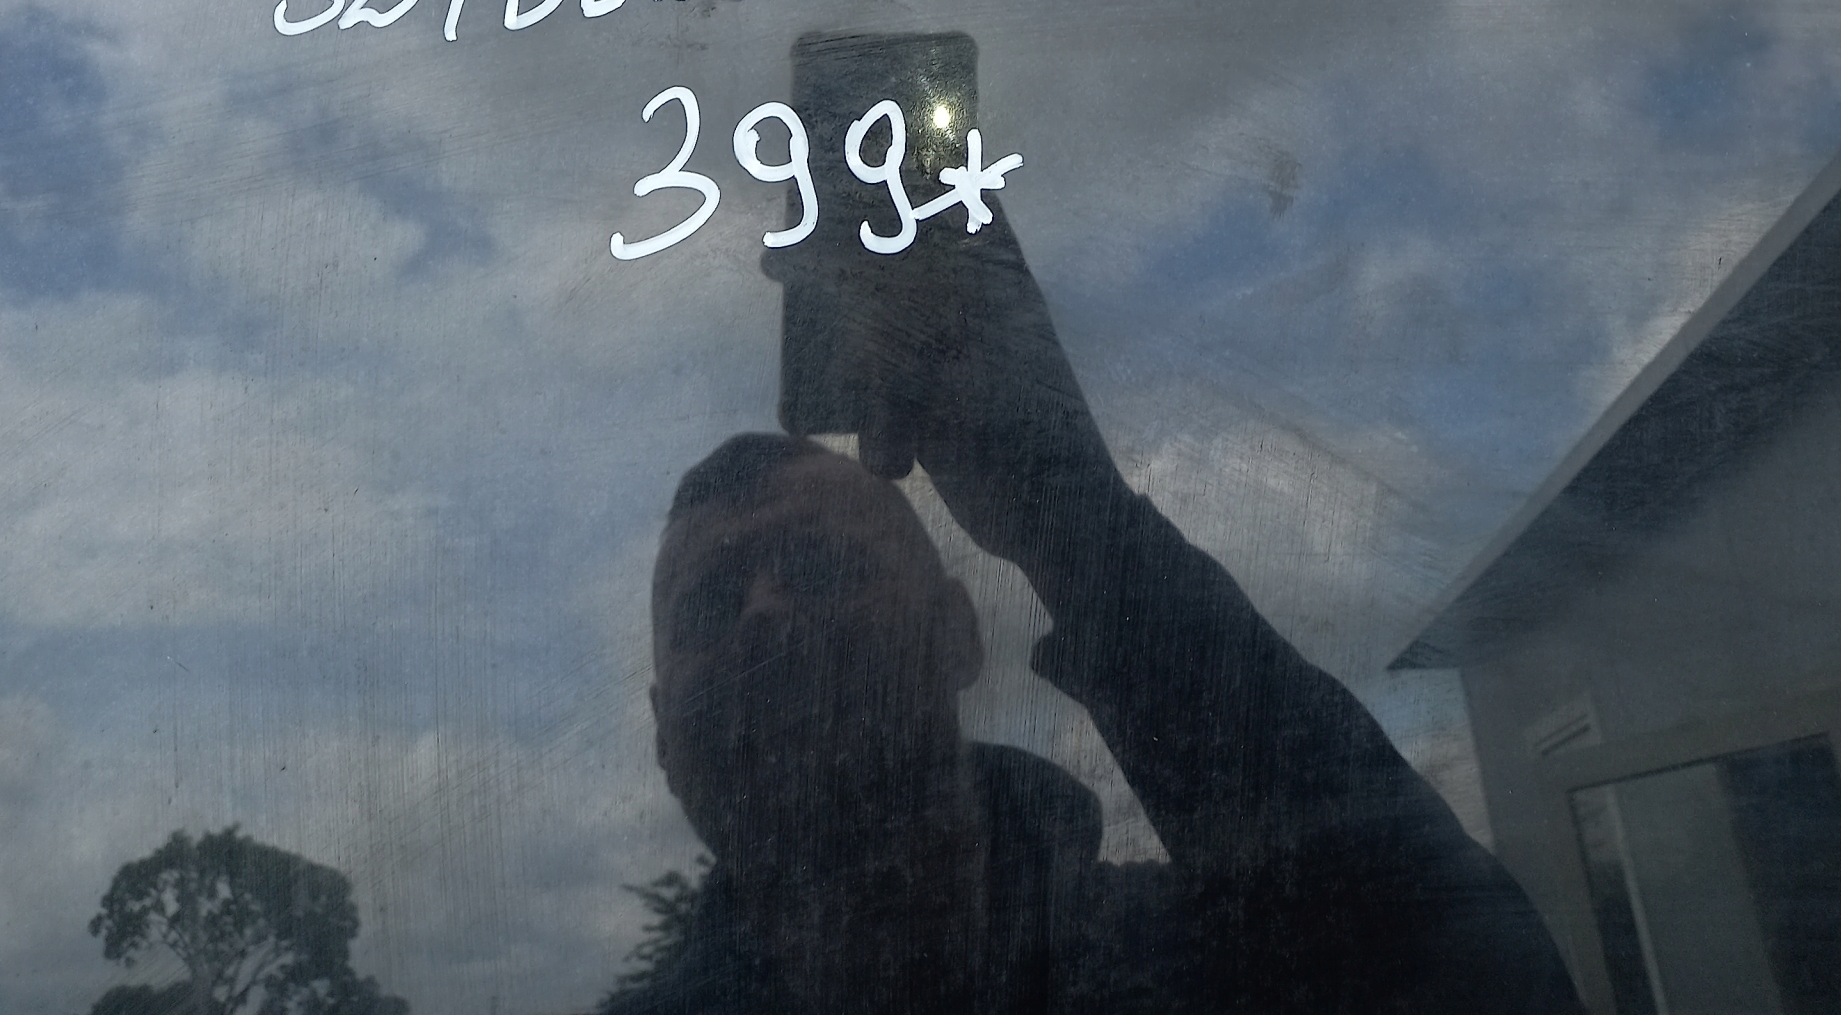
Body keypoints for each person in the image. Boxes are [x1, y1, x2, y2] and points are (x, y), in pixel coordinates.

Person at [635, 208, 1580, 1014]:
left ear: (959, 634)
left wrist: (1073, 517)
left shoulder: (1200, 965)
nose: (764, 613)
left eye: (821, 567)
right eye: (709, 606)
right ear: (662, 731)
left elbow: (1468, 978)